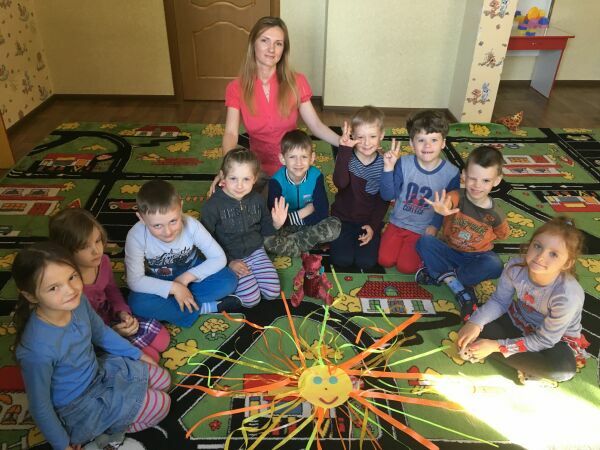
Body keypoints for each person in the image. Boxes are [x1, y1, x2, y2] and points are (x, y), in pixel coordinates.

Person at [13, 242, 171, 450]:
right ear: (31, 295)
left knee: (164, 379)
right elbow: (40, 405)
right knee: (163, 404)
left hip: (101, 371)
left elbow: (101, 333)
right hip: (79, 405)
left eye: (72, 277)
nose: (71, 290)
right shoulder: (36, 350)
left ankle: (124, 408)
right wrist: (62, 445)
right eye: (53, 288)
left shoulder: (78, 301)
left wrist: (138, 354)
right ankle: (102, 432)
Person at [210, 16, 341, 193]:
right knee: (223, 196)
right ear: (253, 44)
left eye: (278, 44)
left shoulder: (297, 82)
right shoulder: (236, 87)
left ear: (283, 49)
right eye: (265, 41)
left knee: (285, 207)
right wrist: (226, 169)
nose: (271, 49)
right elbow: (231, 133)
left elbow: (316, 125)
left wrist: (343, 142)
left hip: (291, 166)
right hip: (256, 168)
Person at [457, 217, 590, 384]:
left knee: (562, 370)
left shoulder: (567, 296)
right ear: (530, 244)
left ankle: (497, 351)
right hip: (518, 320)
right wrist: (475, 323)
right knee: (470, 313)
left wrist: (496, 346)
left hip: (553, 341)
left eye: (553, 254)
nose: (540, 257)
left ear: (567, 263)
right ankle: (523, 361)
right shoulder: (515, 267)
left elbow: (545, 340)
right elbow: (499, 301)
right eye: (537, 246)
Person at [49, 208, 170, 363]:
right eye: (85, 247)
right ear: (66, 251)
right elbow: (79, 331)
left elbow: (112, 291)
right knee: (150, 358)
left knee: (162, 339)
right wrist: (111, 334)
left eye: (97, 240)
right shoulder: (67, 286)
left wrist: (123, 313)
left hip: (112, 319)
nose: (96, 251)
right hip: (94, 336)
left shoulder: (103, 262)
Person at [125, 180, 239, 328]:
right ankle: (203, 308)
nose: (167, 232)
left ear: (181, 207)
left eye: (173, 221)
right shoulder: (136, 236)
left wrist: (185, 279)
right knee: (136, 303)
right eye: (157, 225)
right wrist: (174, 288)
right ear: (141, 218)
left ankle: (178, 306)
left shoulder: (192, 225)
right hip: (159, 280)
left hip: (191, 274)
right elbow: (135, 281)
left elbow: (219, 258)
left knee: (228, 280)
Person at [416, 146, 509, 317]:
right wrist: (443, 208)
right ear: (464, 175)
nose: (477, 185)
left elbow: (503, 234)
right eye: (472, 178)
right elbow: (448, 201)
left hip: (476, 257)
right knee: (425, 242)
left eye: (485, 180)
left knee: (495, 264)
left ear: (496, 181)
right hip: (450, 250)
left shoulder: (496, 214)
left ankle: (445, 276)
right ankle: (457, 283)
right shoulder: (457, 196)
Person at [202, 147, 286, 307]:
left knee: (272, 292)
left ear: (255, 179)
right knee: (251, 299)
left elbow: (265, 228)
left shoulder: (257, 199)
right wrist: (228, 262)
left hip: (256, 252)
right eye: (233, 178)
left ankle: (252, 275)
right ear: (223, 177)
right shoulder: (212, 206)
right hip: (229, 257)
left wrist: (276, 224)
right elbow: (205, 241)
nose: (239, 185)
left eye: (246, 179)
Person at [379, 109, 460, 274]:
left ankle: (429, 252)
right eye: (421, 140)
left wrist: (435, 225)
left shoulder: (451, 173)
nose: (427, 145)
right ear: (411, 143)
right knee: (384, 260)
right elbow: (387, 195)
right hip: (398, 222)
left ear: (443, 143)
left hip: (422, 228)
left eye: (434, 140)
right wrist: (388, 168)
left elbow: (446, 206)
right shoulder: (403, 163)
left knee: (406, 267)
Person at [328, 106, 390, 270]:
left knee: (366, 262)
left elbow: (384, 199)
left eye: (372, 136)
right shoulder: (346, 156)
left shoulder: (385, 164)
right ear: (353, 136)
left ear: (381, 135)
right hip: (342, 218)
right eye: (360, 137)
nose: (367, 143)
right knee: (342, 260)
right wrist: (344, 150)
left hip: (367, 219)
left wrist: (373, 225)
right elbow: (340, 183)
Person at [264, 129, 341, 256]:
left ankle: (293, 245)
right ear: (282, 159)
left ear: (312, 158)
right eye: (292, 157)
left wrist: (296, 220)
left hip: (311, 223)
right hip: (287, 227)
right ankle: (308, 244)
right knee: (266, 239)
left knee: (335, 225)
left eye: (304, 157)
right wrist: (305, 211)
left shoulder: (316, 176)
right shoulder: (276, 182)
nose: (298, 163)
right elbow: (275, 219)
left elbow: (322, 213)